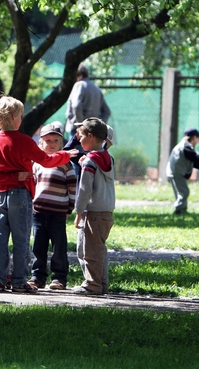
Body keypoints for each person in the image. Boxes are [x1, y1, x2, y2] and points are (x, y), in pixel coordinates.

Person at [0, 95, 77, 293]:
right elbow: (45, 160)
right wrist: (64, 155)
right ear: (13, 117)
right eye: (20, 115)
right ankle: (18, 281)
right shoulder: (24, 141)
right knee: (21, 239)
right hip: (20, 195)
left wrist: (10, 176)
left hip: (0, 196)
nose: (22, 118)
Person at [28, 123, 77, 291]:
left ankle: (59, 277)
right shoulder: (37, 164)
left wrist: (70, 207)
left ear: (60, 143)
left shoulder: (65, 164)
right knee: (38, 246)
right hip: (39, 211)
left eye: (55, 140)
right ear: (41, 143)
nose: (51, 144)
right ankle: (38, 276)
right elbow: (32, 185)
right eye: (47, 140)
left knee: (59, 246)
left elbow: (72, 187)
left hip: (58, 212)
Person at [71, 118, 114, 295]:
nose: (78, 140)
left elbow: (85, 189)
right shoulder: (108, 158)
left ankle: (92, 285)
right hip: (107, 212)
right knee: (99, 249)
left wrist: (79, 211)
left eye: (81, 136)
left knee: (90, 251)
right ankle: (102, 283)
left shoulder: (90, 161)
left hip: (93, 212)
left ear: (90, 136)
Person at [65, 63, 111, 179]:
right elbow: (107, 111)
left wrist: (82, 127)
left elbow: (76, 105)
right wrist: (98, 126)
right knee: (90, 161)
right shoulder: (96, 88)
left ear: (78, 75)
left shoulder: (79, 85)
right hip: (94, 135)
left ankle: (78, 188)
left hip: (80, 131)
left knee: (76, 160)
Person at [166, 128, 199, 215]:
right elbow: (196, 159)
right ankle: (178, 210)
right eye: (198, 139)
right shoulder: (187, 147)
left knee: (181, 193)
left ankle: (183, 210)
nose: (198, 142)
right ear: (194, 137)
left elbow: (193, 162)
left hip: (173, 172)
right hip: (177, 173)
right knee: (184, 192)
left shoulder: (182, 146)